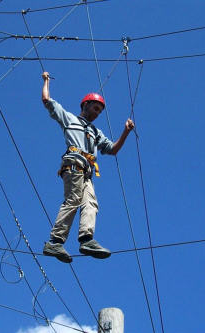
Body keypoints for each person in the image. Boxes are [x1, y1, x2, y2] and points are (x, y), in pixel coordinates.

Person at [41, 71, 135, 263]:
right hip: (74, 165)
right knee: (73, 200)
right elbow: (47, 100)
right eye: (95, 108)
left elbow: (112, 149)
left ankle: (86, 240)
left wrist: (125, 132)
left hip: (87, 173)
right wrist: (46, 81)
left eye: (100, 111)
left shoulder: (95, 132)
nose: (97, 113)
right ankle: (55, 242)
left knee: (91, 204)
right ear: (85, 105)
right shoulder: (69, 119)